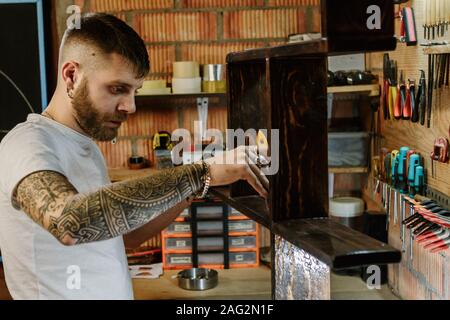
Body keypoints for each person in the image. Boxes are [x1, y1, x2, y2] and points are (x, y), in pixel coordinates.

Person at [0, 13, 268, 300]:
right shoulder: (27, 142)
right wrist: (200, 172)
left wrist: (199, 189)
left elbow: (125, 237)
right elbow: (71, 222)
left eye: (135, 91)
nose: (130, 106)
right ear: (71, 76)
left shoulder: (85, 146)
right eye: (118, 89)